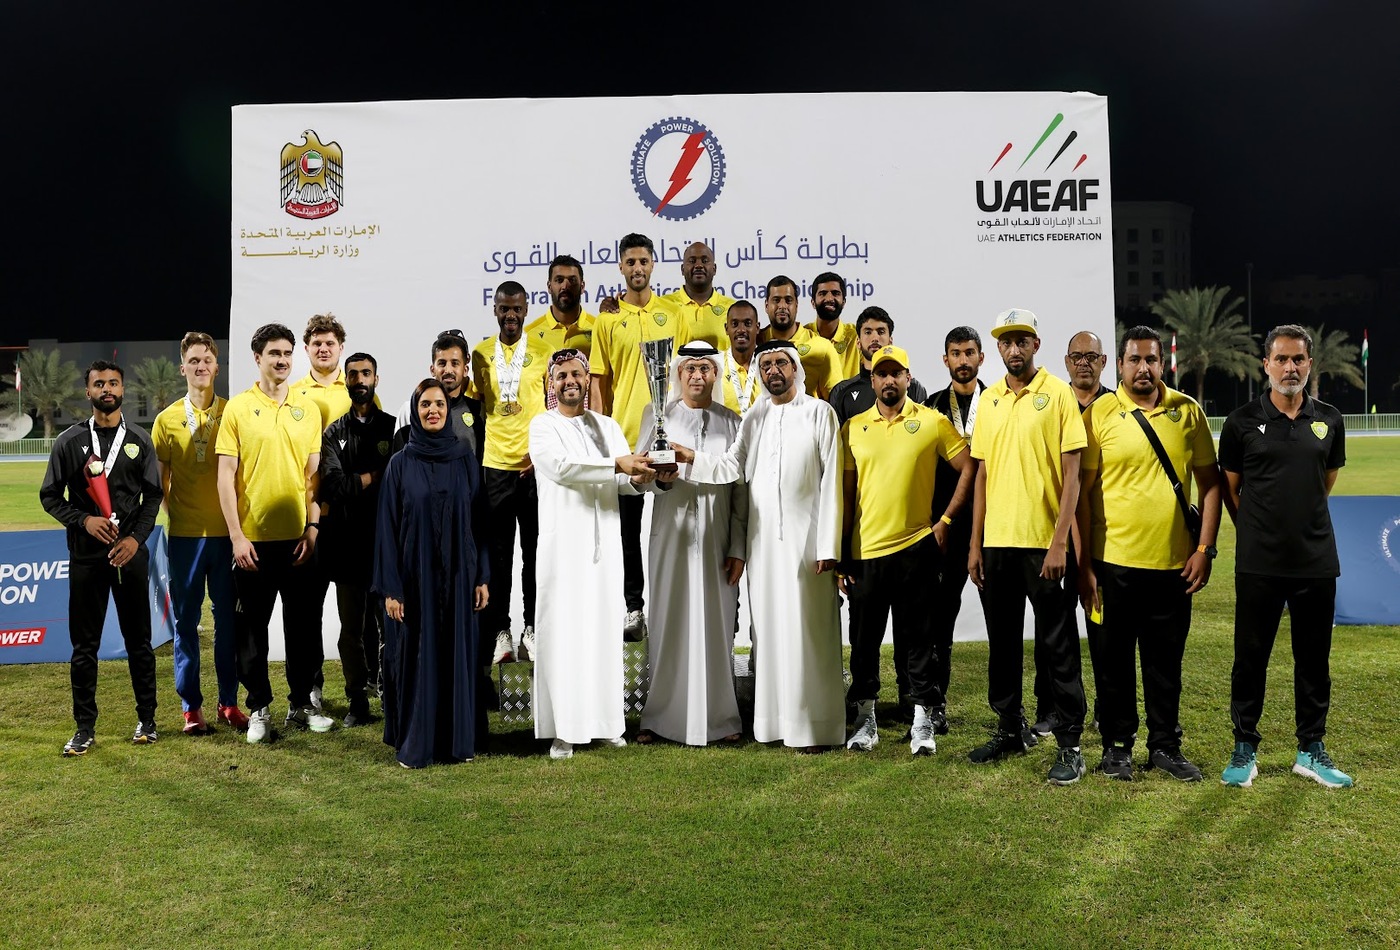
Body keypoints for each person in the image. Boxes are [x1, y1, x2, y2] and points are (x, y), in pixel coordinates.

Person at [673, 339, 845, 752]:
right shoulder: (753, 417)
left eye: (780, 363)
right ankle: (773, 725)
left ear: (796, 368)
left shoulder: (820, 413)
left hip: (808, 545)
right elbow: (732, 467)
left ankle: (815, 725)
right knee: (767, 630)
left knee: (810, 631)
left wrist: (828, 546)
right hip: (764, 545)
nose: (773, 371)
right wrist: (689, 456)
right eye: (766, 365)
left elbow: (832, 481)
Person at [1076, 326, 1221, 782]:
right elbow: (1080, 495)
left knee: (1165, 665)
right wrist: (1084, 566)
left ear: (1163, 363)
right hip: (1112, 566)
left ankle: (1165, 746)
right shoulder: (1099, 413)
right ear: (1118, 365)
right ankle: (1117, 747)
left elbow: (1211, 484)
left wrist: (1204, 548)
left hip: (1174, 567)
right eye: (1134, 359)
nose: (1143, 368)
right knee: (1112, 661)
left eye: (1151, 360)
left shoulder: (1187, 412)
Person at [1218, 324, 1353, 788]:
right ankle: (1244, 749)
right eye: (1282, 359)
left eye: (1299, 359)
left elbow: (1325, 480)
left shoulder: (1330, 419)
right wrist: (1259, 531)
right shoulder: (1240, 422)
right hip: (1258, 564)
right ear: (1266, 365)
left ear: (1310, 364)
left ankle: (1310, 750)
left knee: (1314, 659)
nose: (1290, 367)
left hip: (1316, 563)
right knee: (1250, 658)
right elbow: (1231, 490)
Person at [967, 308, 1089, 785]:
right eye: (1005, 341)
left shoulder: (1058, 394)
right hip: (997, 545)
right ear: (997, 348)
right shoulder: (990, 400)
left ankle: (1070, 743)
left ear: (1036, 345)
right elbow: (980, 475)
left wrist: (1060, 542)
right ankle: (1009, 728)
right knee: (1002, 644)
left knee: (1058, 645)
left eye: (1022, 341)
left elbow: (1073, 474)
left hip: (1044, 546)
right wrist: (975, 544)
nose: (1013, 349)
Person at [840, 345, 972, 756]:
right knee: (863, 643)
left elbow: (971, 466)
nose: (889, 380)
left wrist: (946, 520)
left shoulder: (931, 421)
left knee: (919, 641)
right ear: (873, 379)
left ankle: (922, 723)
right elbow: (844, 496)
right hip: (865, 554)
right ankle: (866, 722)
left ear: (908, 378)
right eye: (882, 374)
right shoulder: (852, 428)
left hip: (917, 549)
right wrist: (842, 553)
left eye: (897, 373)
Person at [532, 348, 661, 759]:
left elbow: (623, 483)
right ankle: (564, 730)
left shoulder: (607, 426)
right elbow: (563, 469)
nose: (570, 380)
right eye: (562, 376)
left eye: (577, 374)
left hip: (603, 547)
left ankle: (606, 723)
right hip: (563, 548)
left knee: (604, 633)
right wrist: (619, 465)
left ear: (588, 381)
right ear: (551, 385)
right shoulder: (542, 425)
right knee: (564, 635)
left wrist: (647, 478)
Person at [216, 323, 332, 743]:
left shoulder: (308, 408)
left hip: (300, 542)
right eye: (273, 354)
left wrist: (313, 527)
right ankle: (259, 708)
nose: (281, 360)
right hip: (253, 543)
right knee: (252, 632)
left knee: (303, 627)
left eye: (286, 353)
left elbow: (314, 478)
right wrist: (236, 536)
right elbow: (225, 478)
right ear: (257, 358)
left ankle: (301, 704)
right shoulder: (238, 409)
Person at [41, 360, 162, 755]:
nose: (106, 389)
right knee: (84, 646)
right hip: (86, 557)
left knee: (139, 641)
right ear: (88, 391)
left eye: (113, 383)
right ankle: (84, 728)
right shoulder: (69, 442)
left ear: (123, 389)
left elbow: (153, 496)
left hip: (129, 556)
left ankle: (147, 719)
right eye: (99, 384)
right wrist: (84, 520)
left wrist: (136, 540)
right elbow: (49, 496)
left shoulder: (140, 440)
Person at [374, 377, 491, 768]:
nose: (433, 411)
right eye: (425, 405)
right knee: (417, 655)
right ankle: (416, 742)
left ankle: (457, 742)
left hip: (460, 576)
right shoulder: (399, 464)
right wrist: (392, 588)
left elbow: (479, 522)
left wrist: (482, 576)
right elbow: (386, 531)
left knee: (456, 652)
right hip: (414, 579)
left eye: (439, 404)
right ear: (415, 409)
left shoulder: (464, 459)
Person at [634, 342, 747, 746]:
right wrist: (661, 480)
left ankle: (721, 718)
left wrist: (738, 546)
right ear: (677, 374)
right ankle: (659, 716)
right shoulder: (656, 414)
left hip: (717, 538)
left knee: (717, 625)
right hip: (672, 533)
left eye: (706, 369)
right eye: (690, 369)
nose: (698, 376)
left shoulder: (733, 421)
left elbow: (739, 490)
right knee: (668, 619)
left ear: (716, 375)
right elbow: (642, 476)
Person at [152, 332, 245, 735]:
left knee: (228, 623)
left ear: (217, 366)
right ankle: (191, 707)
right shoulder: (166, 419)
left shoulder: (234, 413)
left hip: (227, 538)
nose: (201, 366)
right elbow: (160, 485)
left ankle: (229, 702)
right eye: (193, 360)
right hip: (186, 540)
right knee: (185, 625)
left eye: (207, 359)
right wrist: (184, 517)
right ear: (183, 367)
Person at [589, 233, 680, 640]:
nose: (638, 268)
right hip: (625, 437)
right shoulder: (607, 319)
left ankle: (673, 604)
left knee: (676, 523)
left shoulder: (673, 312)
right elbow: (599, 381)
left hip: (669, 436)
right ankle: (632, 607)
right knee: (626, 529)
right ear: (621, 267)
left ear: (653, 265)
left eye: (644, 261)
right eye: (631, 262)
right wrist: (598, 434)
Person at [1033, 329, 1114, 738]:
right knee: (1052, 628)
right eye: (1077, 356)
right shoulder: (1050, 403)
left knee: (1103, 629)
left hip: (1103, 539)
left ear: (1104, 362)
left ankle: (1106, 706)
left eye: (1092, 356)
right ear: (1066, 362)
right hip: (1056, 537)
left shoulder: (1117, 407)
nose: (1084, 362)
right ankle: (1049, 708)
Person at [471, 281, 548, 665]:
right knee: (499, 556)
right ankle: (501, 631)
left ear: (526, 310)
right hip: (495, 467)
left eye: (517, 309)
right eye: (504, 308)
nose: (511, 315)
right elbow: (480, 408)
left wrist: (545, 453)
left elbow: (552, 410)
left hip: (533, 468)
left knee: (535, 554)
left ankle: (532, 629)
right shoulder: (480, 354)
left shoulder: (544, 351)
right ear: (495, 310)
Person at [318, 351, 397, 726]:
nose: (359, 379)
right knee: (351, 632)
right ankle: (356, 701)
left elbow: (397, 485)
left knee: (390, 627)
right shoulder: (333, 432)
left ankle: (392, 695)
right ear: (345, 381)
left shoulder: (393, 430)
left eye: (366, 373)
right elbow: (332, 486)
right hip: (347, 545)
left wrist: (358, 482)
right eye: (353, 374)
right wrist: (370, 478)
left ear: (376, 379)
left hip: (384, 546)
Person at [922, 326, 988, 731]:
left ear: (981, 357)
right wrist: (935, 522)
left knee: (1002, 620)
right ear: (944, 360)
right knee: (938, 621)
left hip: (992, 528)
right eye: (955, 353)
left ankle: (1009, 711)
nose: (962, 360)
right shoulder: (929, 408)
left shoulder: (999, 404)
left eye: (969, 352)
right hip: (943, 529)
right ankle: (934, 703)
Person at [828, 307, 929, 426]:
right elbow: (837, 442)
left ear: (890, 341)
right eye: (868, 332)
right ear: (858, 343)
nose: (875, 338)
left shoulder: (913, 387)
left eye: (881, 332)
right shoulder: (841, 392)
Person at [394, 330, 485, 459]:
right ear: (432, 369)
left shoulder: (478, 410)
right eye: (442, 363)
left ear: (465, 370)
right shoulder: (409, 410)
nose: (448, 370)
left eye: (455, 363)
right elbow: (399, 464)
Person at [757, 276, 842, 399]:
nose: (782, 306)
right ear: (766, 305)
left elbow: (836, 401)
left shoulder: (822, 347)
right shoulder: (756, 343)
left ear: (796, 305)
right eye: (776, 300)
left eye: (788, 300)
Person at [660, 242, 735, 350]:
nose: (699, 265)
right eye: (692, 261)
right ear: (682, 269)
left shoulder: (731, 308)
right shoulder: (665, 305)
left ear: (714, 269)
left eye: (705, 261)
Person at [524, 254, 596, 359]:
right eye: (559, 280)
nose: (565, 286)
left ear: (582, 286)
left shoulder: (599, 329)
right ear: (549, 286)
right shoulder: (529, 335)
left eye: (572, 280)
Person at [805, 271, 861, 379]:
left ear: (844, 302)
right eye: (823, 293)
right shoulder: (802, 335)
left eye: (835, 293)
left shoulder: (857, 335)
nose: (829, 299)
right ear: (813, 302)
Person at [719, 300, 762, 416]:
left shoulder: (769, 365)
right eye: (735, 324)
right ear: (726, 328)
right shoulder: (716, 366)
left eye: (747, 323)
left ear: (757, 328)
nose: (741, 330)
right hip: (724, 433)